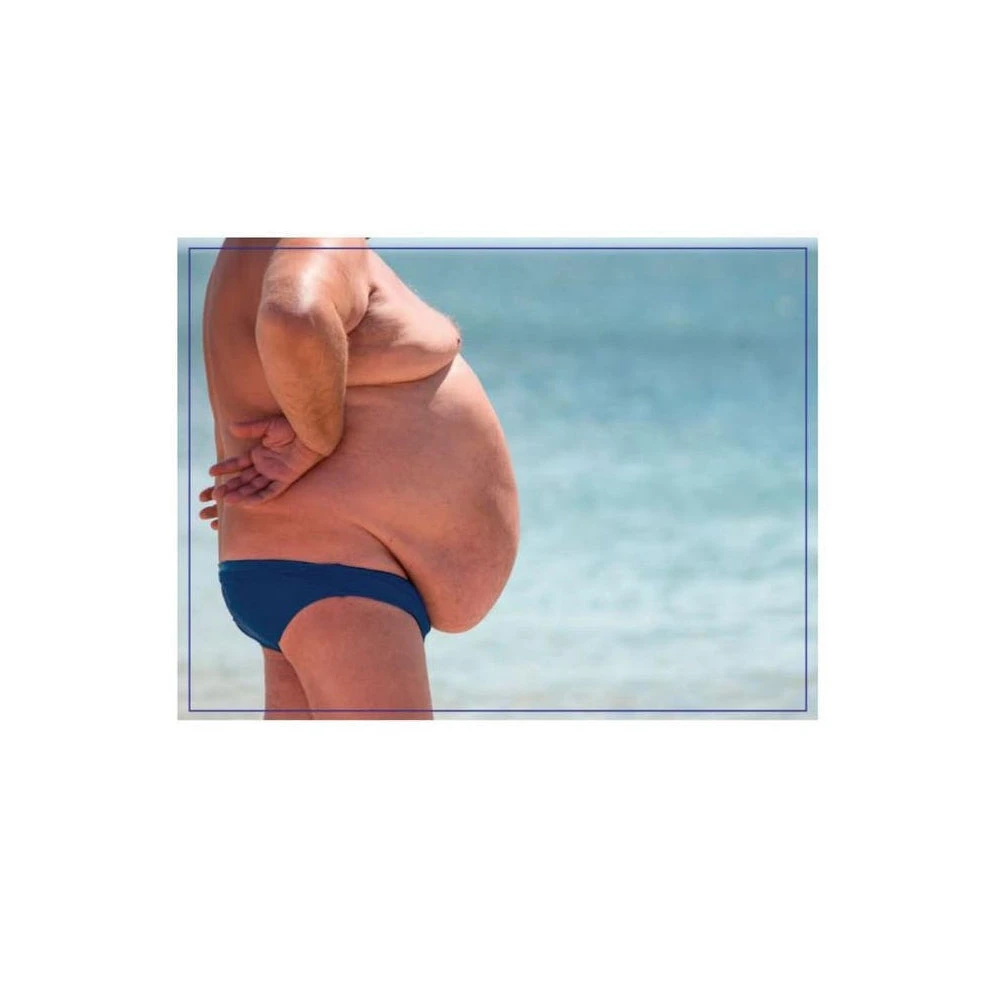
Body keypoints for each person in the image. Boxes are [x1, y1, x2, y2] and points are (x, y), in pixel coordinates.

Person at [198, 238, 519, 720]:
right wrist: (315, 440)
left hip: (316, 572)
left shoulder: (258, 245)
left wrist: (255, 471)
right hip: (339, 581)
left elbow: (259, 373)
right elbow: (294, 316)